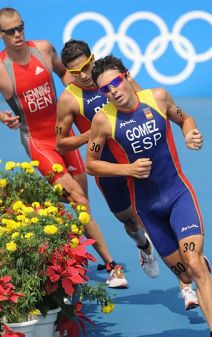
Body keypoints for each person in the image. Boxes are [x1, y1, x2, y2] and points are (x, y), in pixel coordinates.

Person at [86, 55, 212, 337]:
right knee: (187, 272)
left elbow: (184, 117)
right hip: (147, 210)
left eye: (115, 82)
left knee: (194, 265)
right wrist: (127, 169)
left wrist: (189, 132)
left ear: (126, 76)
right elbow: (91, 164)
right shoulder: (103, 120)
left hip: (178, 195)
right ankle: (197, 266)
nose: (112, 91)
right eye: (105, 90)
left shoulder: (158, 98)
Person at [56, 39, 202, 310]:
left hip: (139, 163)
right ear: (69, 73)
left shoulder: (114, 80)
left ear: (93, 58)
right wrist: (90, 135)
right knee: (130, 222)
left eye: (87, 66)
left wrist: (185, 131)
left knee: (163, 214)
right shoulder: (69, 99)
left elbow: (146, 105)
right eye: (77, 73)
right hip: (107, 170)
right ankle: (143, 248)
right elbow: (60, 144)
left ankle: (186, 286)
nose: (85, 75)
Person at [0, 8, 127, 288]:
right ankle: (112, 265)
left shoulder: (44, 50)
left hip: (64, 135)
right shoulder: (1, 70)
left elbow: (67, 77)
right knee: (77, 201)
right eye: (10, 31)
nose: (18, 34)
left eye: (20, 27)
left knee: (83, 206)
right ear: (1, 35)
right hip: (38, 142)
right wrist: (3, 115)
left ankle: (65, 263)